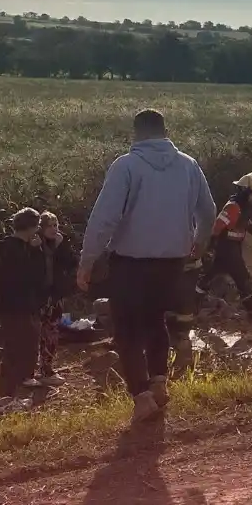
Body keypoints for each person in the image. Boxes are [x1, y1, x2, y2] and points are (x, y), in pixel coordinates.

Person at [77, 109, 216, 425]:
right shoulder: (189, 165)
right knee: (156, 321)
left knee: (127, 329)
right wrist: (199, 241)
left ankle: (141, 397)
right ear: (165, 131)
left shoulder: (126, 166)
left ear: (137, 133)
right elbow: (208, 211)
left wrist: (87, 261)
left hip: (130, 263)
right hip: (172, 262)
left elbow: (103, 220)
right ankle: (159, 383)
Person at [0, 208, 47, 413]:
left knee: (23, 347)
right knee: (17, 350)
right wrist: (36, 252)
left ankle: (14, 394)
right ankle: (6, 398)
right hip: (18, 307)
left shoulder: (4, 247)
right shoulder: (17, 250)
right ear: (31, 226)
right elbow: (33, 276)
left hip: (13, 306)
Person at [199, 170, 252, 321]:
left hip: (233, 248)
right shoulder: (233, 207)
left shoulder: (242, 207)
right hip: (227, 248)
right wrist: (210, 247)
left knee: (210, 275)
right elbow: (217, 227)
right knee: (242, 277)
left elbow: (245, 222)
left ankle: (192, 302)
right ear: (245, 191)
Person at [23, 210, 78, 388]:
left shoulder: (60, 243)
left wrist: (62, 247)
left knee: (51, 333)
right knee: (33, 334)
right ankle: (27, 373)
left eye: (56, 225)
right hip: (37, 297)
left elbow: (71, 263)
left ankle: (47, 369)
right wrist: (35, 249)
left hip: (54, 295)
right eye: (50, 226)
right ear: (41, 228)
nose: (54, 229)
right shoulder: (33, 244)